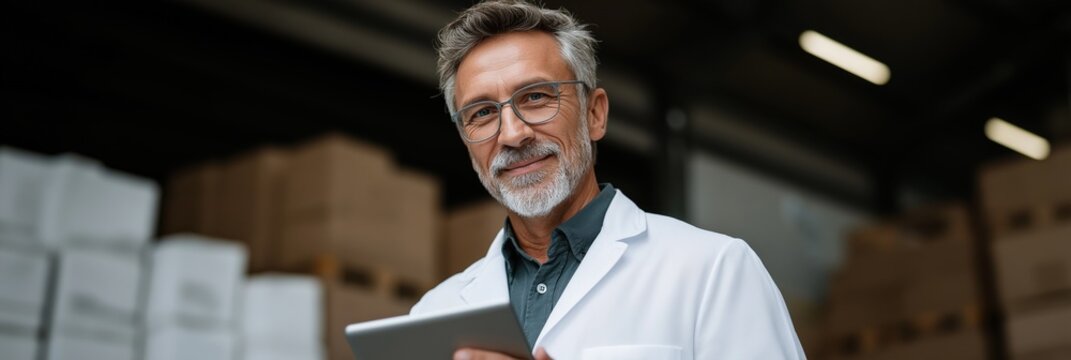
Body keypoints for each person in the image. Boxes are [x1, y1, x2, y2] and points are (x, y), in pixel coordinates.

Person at [411, 1, 805, 359]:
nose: (512, 134)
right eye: (481, 113)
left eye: (535, 97)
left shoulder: (712, 271)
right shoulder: (435, 313)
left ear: (594, 114)